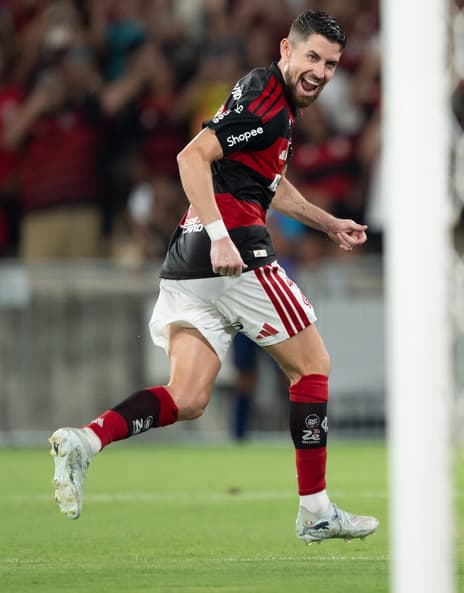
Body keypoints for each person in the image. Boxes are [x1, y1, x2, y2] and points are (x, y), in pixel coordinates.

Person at [48, 10, 378, 545]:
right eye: (313, 57)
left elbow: (268, 182)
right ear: (287, 48)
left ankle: (86, 441)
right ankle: (316, 510)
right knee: (313, 367)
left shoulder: (263, 92)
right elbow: (191, 157)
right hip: (233, 250)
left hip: (188, 257)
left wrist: (327, 223)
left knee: (189, 395)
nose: (320, 72)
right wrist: (224, 236)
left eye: (331, 64)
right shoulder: (268, 108)